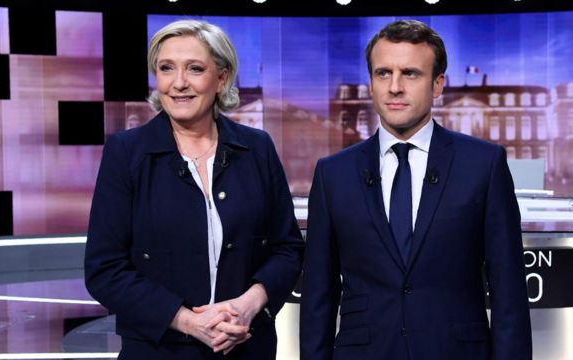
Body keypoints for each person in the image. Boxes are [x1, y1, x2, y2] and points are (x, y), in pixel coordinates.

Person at [300, 20, 531, 359]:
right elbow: (318, 296)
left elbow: (508, 290)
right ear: (371, 82)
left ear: (438, 84)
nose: (394, 87)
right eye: (383, 73)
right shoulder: (332, 174)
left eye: (410, 73)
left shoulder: (483, 164)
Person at [85, 19, 304, 359]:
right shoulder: (126, 153)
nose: (179, 83)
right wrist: (187, 321)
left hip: (247, 345)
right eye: (166, 68)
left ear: (222, 78)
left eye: (195, 69)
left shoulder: (257, 148)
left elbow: (288, 248)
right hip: (161, 350)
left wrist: (249, 304)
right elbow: (105, 269)